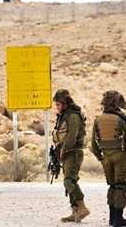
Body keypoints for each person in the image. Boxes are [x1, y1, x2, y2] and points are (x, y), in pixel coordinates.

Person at [91, 91, 126, 227]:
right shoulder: (122, 120)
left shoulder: (98, 119)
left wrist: (101, 157)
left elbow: (93, 144)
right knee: (120, 186)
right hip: (120, 156)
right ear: (117, 104)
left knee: (112, 186)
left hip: (106, 157)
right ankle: (118, 219)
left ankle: (112, 219)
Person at [51, 89, 90, 223]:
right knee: (70, 181)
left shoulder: (73, 116)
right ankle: (75, 211)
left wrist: (64, 150)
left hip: (72, 152)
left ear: (65, 102)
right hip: (67, 152)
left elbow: (71, 136)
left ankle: (82, 208)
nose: (57, 107)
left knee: (69, 181)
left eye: (59, 104)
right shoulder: (64, 115)